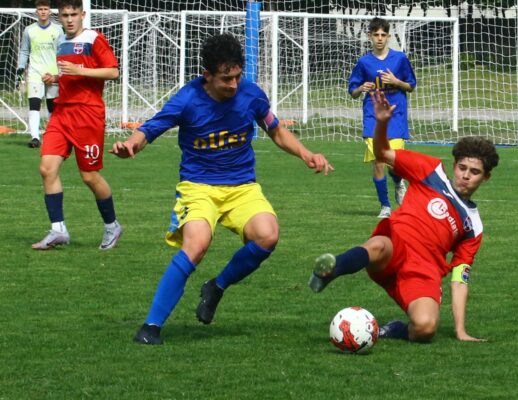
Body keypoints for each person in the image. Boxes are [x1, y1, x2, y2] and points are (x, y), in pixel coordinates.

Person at [111, 33, 334, 345]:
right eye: (226, 78)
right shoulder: (187, 99)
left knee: (268, 235)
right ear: (207, 75)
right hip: (198, 188)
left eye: (237, 76)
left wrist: (306, 154)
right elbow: (151, 128)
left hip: (242, 187)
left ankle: (216, 286)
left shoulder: (251, 95)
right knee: (197, 245)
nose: (233, 84)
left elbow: (276, 130)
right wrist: (131, 145)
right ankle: (151, 327)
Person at [309, 90, 499, 343]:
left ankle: (395, 330)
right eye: (462, 167)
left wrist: (461, 331)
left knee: (426, 327)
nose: (465, 175)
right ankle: (330, 271)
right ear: (454, 165)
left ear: (485, 177)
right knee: (378, 244)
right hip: (396, 244)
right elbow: (383, 154)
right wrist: (382, 122)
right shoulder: (431, 171)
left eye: (474, 172)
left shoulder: (473, 225)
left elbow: (460, 279)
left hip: (424, 271)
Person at [31, 0, 122, 251]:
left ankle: (112, 226)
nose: (69, 19)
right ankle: (58, 230)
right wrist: (58, 78)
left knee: (89, 176)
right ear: (58, 17)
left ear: (83, 14)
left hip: (87, 114)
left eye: (73, 14)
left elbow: (113, 72)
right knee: (47, 168)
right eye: (64, 15)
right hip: (62, 112)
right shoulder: (61, 41)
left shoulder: (94, 39)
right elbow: (73, 74)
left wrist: (79, 70)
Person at [348, 17, 417, 219]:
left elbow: (411, 86)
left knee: (394, 162)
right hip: (373, 117)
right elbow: (352, 91)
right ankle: (385, 207)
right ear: (370, 36)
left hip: (396, 116)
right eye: (375, 35)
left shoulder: (400, 59)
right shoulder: (364, 62)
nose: (379, 38)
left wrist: (396, 81)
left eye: (383, 35)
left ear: (388, 37)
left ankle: (397, 181)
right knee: (379, 161)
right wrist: (361, 88)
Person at [16, 0, 63, 148]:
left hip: (53, 73)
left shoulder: (58, 30)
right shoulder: (29, 30)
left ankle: (51, 135)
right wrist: (21, 67)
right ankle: (35, 137)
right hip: (35, 73)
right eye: (40, 9)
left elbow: (61, 52)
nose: (43, 11)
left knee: (52, 106)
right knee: (34, 104)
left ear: (50, 11)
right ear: (36, 11)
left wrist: (61, 72)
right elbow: (24, 51)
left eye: (45, 9)